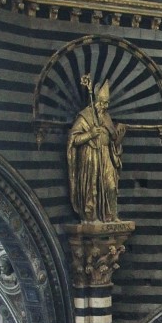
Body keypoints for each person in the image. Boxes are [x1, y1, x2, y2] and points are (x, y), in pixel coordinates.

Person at [67, 79, 126, 223]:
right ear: (97, 102)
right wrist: (90, 134)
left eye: (107, 103)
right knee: (91, 188)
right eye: (103, 103)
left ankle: (111, 215)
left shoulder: (106, 117)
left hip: (106, 155)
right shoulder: (85, 116)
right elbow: (74, 140)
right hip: (90, 156)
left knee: (111, 186)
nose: (106, 106)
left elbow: (113, 140)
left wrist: (117, 140)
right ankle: (91, 216)